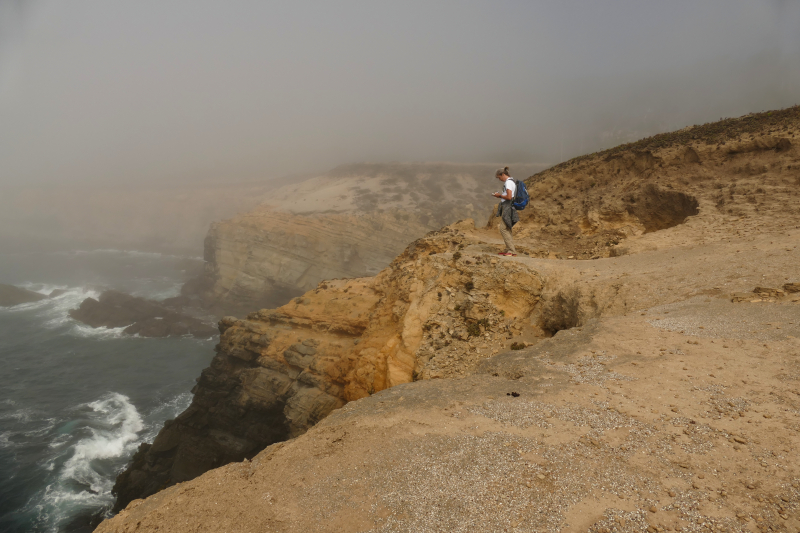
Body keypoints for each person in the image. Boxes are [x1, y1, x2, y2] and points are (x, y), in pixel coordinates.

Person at [493, 166, 519, 256]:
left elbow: (508, 197)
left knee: (503, 228)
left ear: (503, 174)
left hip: (507, 206)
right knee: (507, 228)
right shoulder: (512, 182)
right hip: (510, 206)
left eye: (499, 177)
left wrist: (499, 196)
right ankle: (509, 249)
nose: (499, 179)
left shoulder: (508, 183)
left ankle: (511, 250)